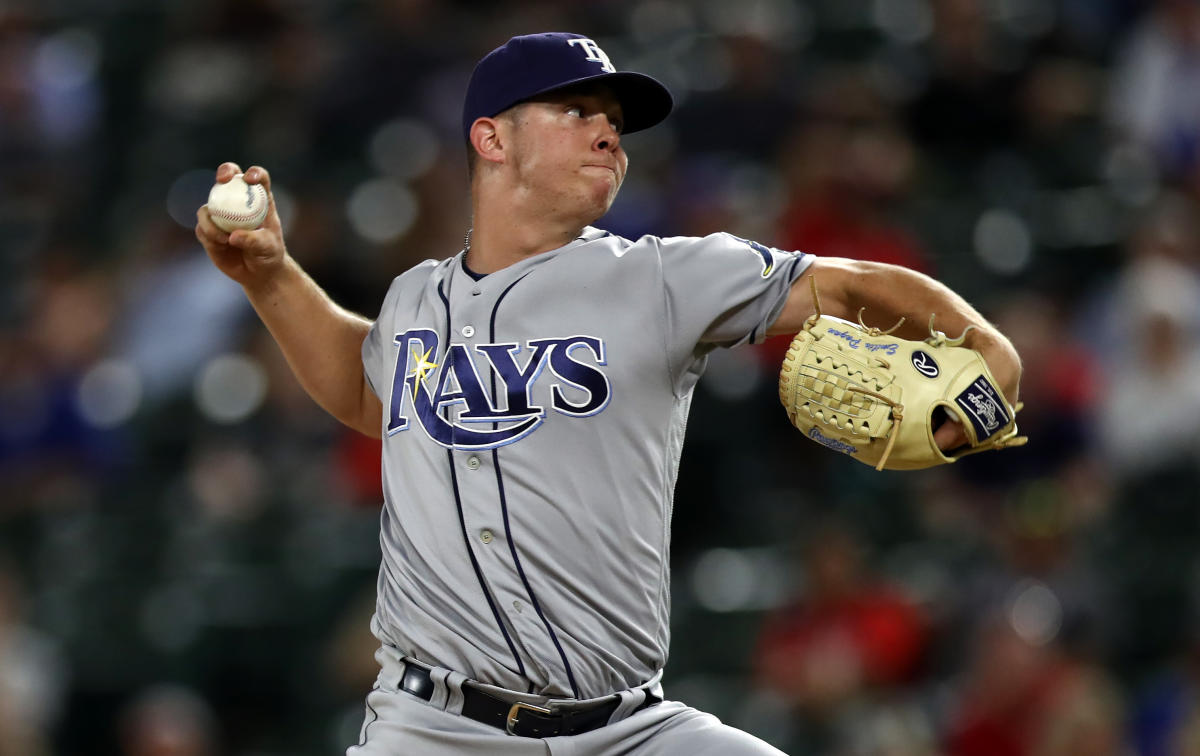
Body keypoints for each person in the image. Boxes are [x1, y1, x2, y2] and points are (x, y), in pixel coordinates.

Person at [194, 31, 1021, 756]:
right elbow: (370, 395)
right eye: (576, 111)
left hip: (630, 731)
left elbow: (848, 287)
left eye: (615, 124)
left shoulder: (662, 278)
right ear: (491, 137)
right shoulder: (415, 298)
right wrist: (269, 276)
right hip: (435, 731)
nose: (608, 135)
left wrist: (984, 344)